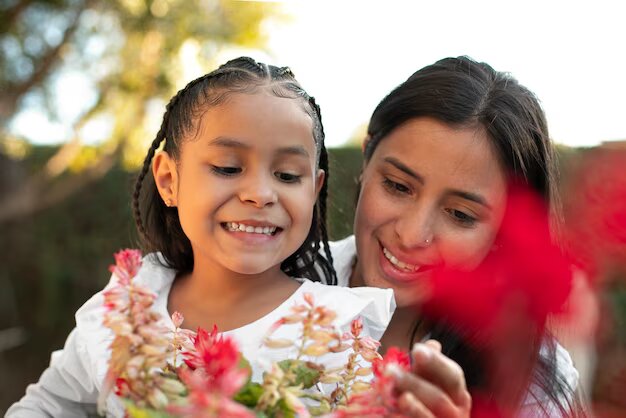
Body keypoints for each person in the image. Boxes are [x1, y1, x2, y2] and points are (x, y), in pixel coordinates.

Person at [7, 57, 394, 417]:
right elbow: (48, 403)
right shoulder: (128, 306)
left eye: (288, 175)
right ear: (168, 180)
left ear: (314, 190)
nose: (259, 193)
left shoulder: (338, 331)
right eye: (228, 167)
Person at [328, 56, 584, 417]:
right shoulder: (269, 289)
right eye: (398, 186)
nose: (412, 233)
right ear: (367, 158)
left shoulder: (532, 374)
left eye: (460, 215)